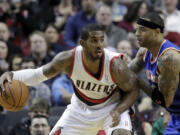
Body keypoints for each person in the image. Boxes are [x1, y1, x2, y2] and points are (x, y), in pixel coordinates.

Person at [0, 24, 150, 135]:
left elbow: (133, 91)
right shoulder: (68, 59)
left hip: (111, 107)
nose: (99, 45)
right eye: (94, 41)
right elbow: (38, 75)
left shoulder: (115, 64)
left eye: (101, 40)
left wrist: (118, 110)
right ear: (82, 43)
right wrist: (13, 75)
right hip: (80, 109)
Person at [129, 12, 180, 134]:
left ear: (157, 31)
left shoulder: (169, 58)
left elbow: (165, 101)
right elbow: (127, 74)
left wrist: (140, 84)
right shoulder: (144, 52)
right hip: (175, 113)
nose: (137, 34)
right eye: (136, 30)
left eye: (143, 30)